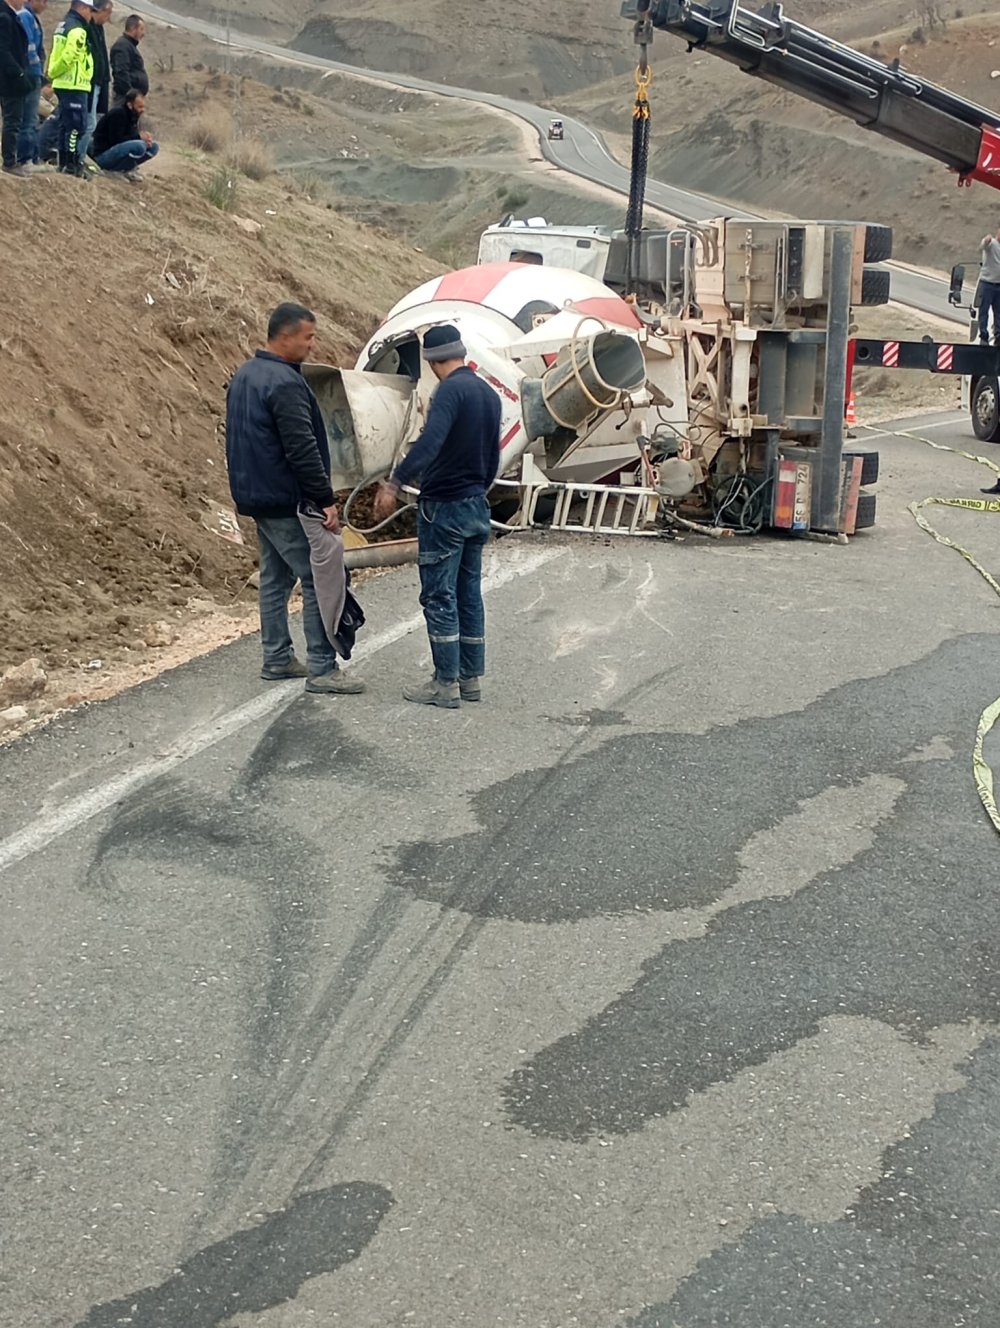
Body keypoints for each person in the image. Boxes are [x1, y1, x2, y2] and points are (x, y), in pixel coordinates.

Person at [225, 303, 365, 696]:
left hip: (256, 495)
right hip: (285, 498)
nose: (312, 345)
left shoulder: (245, 374)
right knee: (318, 577)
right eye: (308, 337)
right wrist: (324, 499)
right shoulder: (285, 384)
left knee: (275, 577)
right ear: (285, 337)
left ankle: (276, 657)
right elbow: (302, 449)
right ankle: (322, 666)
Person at [373, 323, 501, 709]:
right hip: (476, 505)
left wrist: (395, 481)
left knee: (439, 595)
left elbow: (430, 441)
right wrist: (477, 489)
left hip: (444, 508)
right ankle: (469, 679)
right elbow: (493, 456)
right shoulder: (488, 393)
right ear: (461, 352)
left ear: (431, 361)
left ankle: (445, 683)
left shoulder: (449, 391)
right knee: (468, 594)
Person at [47, 0, 94, 177]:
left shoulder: (63, 25)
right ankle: (71, 164)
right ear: (81, 7)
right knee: (76, 127)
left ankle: (63, 164)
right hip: (74, 85)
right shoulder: (77, 30)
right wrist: (54, 72)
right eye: (90, 10)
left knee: (65, 125)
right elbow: (69, 56)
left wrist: (53, 73)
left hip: (64, 84)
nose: (91, 15)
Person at [92, 85, 156, 178]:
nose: (143, 110)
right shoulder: (118, 114)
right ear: (130, 105)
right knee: (140, 146)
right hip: (103, 155)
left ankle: (126, 169)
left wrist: (145, 140)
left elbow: (129, 137)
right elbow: (116, 140)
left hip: (116, 151)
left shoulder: (133, 115)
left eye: (143, 107)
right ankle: (113, 170)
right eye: (139, 107)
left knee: (153, 147)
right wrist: (139, 137)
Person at [0, 0, 31, 177]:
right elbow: (3, 51)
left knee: (13, 120)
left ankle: (11, 159)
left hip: (10, 78)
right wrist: (18, 73)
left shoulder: (9, 15)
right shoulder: (5, 17)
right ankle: (9, 161)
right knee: (13, 121)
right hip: (10, 80)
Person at [79, 0, 111, 170]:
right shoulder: (87, 27)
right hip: (87, 82)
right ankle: (77, 158)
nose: (108, 18)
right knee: (88, 123)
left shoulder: (99, 29)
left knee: (91, 122)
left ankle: (79, 157)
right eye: (108, 13)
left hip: (98, 82)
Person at [15, 0, 46, 169]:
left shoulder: (29, 16)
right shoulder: (26, 16)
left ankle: (30, 158)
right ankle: (25, 159)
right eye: (43, 1)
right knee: (27, 120)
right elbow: (29, 48)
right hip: (30, 74)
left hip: (29, 74)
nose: (45, 5)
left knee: (28, 119)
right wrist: (36, 69)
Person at [109, 11, 145, 105]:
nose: (143, 33)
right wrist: (131, 95)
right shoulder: (122, 46)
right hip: (125, 99)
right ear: (133, 28)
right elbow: (121, 73)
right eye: (141, 29)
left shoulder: (129, 46)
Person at [978, 225, 1000, 347]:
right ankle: (983, 336)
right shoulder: (992, 244)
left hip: (999, 285)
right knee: (984, 310)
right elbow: (983, 246)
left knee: (998, 312)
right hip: (987, 283)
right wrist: (986, 240)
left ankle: (998, 336)